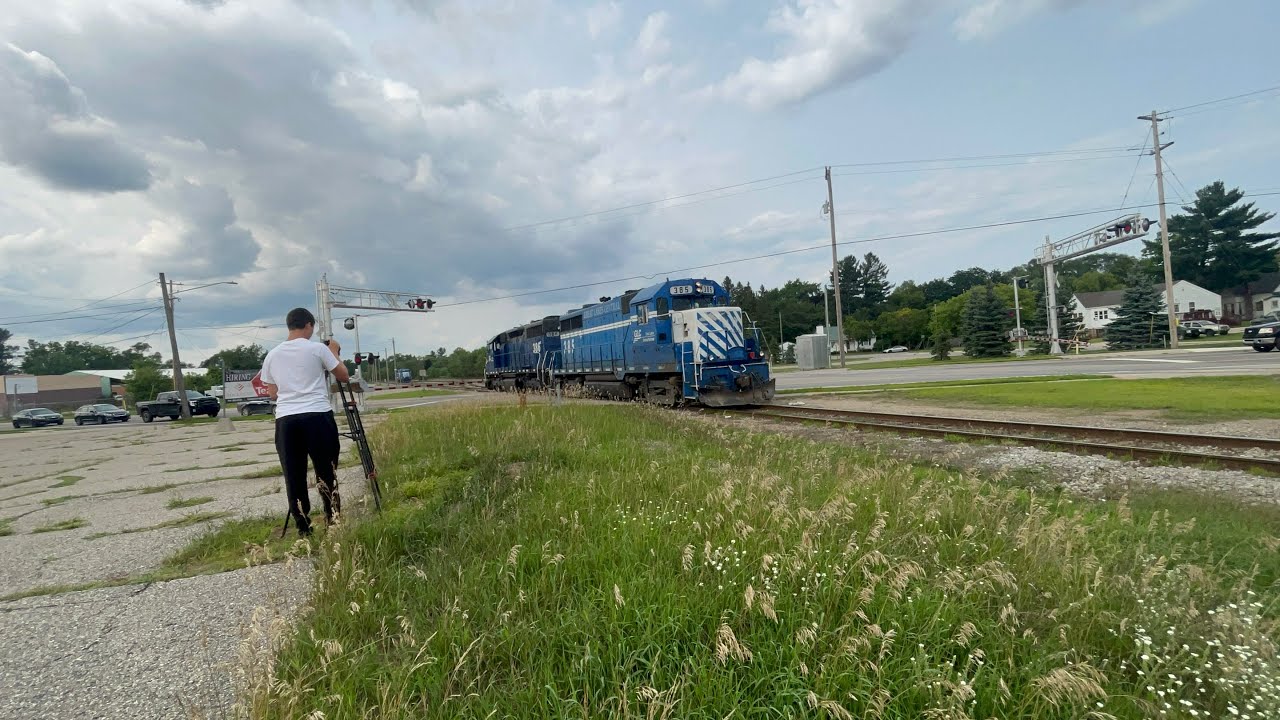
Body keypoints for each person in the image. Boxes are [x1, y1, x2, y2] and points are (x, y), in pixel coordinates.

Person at [260, 307, 350, 536]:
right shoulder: (318, 349)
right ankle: (333, 519)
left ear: (289, 326)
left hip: (286, 419)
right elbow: (343, 375)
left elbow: (272, 393)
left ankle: (303, 526)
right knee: (326, 470)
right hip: (317, 415)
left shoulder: (272, 355)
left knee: (294, 474)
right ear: (309, 325)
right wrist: (334, 351)